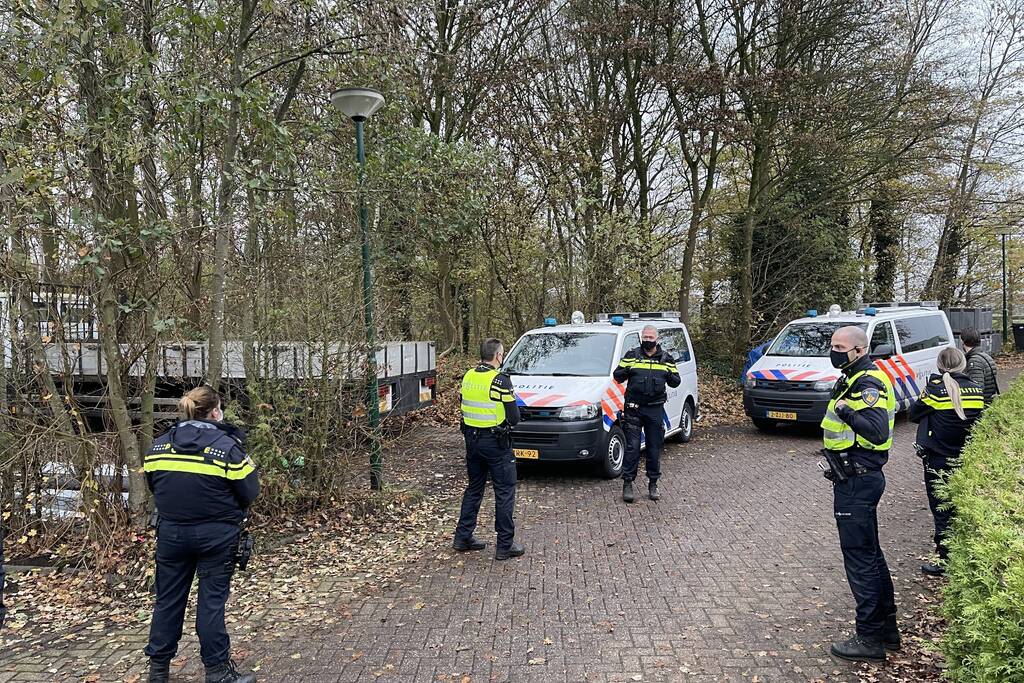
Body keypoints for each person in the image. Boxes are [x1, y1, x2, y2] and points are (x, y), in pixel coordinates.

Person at [144, 386, 259, 683]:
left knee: (167, 601)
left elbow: (155, 486)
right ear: (215, 412)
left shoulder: (158, 446)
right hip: (217, 536)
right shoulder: (228, 447)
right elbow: (249, 491)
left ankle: (158, 673)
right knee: (210, 603)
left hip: (171, 534)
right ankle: (218, 672)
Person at [821, 326, 899, 663]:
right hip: (855, 477)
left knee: (861, 559)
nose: (834, 351)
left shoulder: (867, 382)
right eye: (832, 345)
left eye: (839, 346)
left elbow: (878, 432)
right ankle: (887, 631)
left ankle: (869, 637)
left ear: (859, 350)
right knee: (871, 554)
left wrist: (846, 412)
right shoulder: (852, 377)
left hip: (858, 480)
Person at [908, 347, 985, 576]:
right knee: (961, 506)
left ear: (940, 366)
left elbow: (913, 414)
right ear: (963, 364)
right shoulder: (976, 390)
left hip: (938, 458)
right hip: (967, 457)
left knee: (941, 509)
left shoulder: (934, 390)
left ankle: (945, 560)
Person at [453, 338, 525, 561]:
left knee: (474, 488)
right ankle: (505, 545)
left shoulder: (469, 376)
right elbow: (514, 417)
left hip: (472, 441)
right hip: (495, 443)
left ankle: (463, 537)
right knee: (504, 491)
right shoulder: (500, 381)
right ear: (498, 356)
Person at [613, 325, 681, 503]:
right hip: (634, 409)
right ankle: (627, 484)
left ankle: (653, 484)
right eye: (645, 336)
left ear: (657, 339)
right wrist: (626, 369)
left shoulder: (666, 358)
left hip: (655, 409)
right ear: (641, 338)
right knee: (632, 448)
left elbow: (676, 381)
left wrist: (669, 373)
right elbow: (617, 376)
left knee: (653, 448)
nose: (648, 340)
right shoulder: (632, 355)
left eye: (651, 337)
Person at [960, 327, 999, 405]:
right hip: (988, 403)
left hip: (981, 406)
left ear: (962, 341)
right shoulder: (986, 356)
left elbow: (977, 388)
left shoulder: (974, 361)